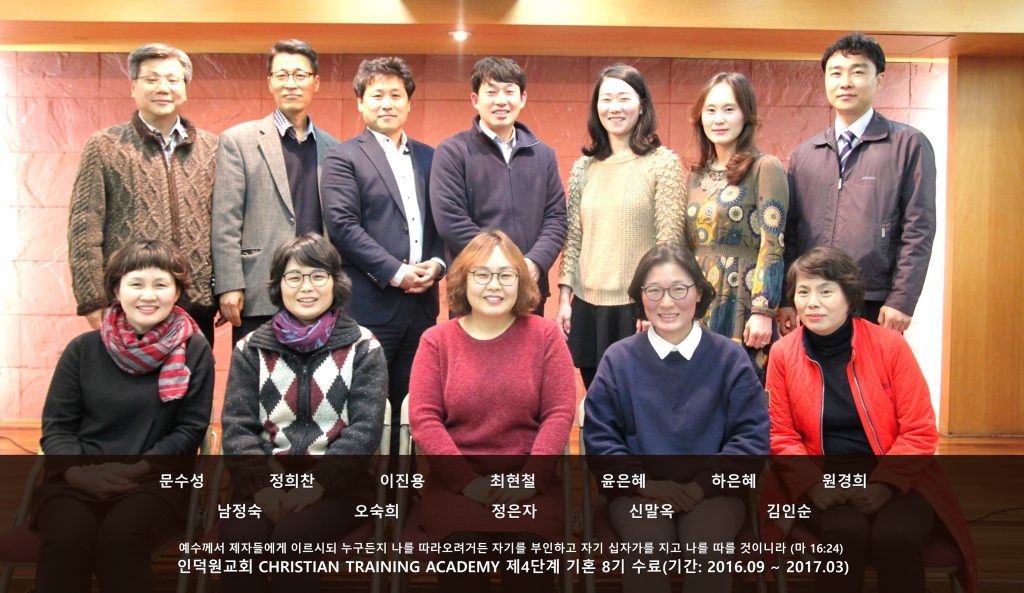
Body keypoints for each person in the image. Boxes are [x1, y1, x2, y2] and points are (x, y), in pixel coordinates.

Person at [766, 246, 976, 593]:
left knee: (895, 537)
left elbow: (919, 429)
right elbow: (779, 433)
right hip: (823, 478)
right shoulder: (783, 353)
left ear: (849, 297)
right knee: (844, 535)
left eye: (825, 291)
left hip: (900, 477)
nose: (812, 303)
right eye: (803, 292)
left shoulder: (890, 346)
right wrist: (812, 484)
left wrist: (885, 485)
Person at [584, 243, 769, 593]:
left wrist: (702, 486)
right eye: (654, 291)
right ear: (641, 297)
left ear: (699, 292)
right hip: (638, 494)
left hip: (715, 494)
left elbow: (751, 440)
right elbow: (600, 442)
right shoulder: (618, 360)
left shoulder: (729, 358)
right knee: (645, 550)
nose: (666, 302)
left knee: (709, 550)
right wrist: (645, 484)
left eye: (679, 289)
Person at [35, 239, 214, 593]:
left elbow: (189, 430)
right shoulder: (82, 350)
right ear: (117, 290)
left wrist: (136, 469)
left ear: (177, 292)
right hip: (77, 475)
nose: (148, 295)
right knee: (68, 540)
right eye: (136, 284)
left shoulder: (194, 349)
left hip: (154, 479)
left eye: (161, 284)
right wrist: (78, 472)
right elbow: (57, 427)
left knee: (120, 541)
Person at [408, 230, 576, 593]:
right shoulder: (436, 342)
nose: (494, 285)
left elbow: (559, 414)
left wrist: (528, 482)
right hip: (457, 486)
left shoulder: (546, 337)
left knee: (529, 554)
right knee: (464, 554)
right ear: (463, 281)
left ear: (521, 281)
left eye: (505, 275)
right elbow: (424, 420)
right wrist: (468, 482)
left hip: (530, 484)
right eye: (482, 274)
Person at [220, 232, 387, 593]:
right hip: (262, 484)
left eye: (317, 276)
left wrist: (316, 484)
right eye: (294, 277)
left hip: (341, 488)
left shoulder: (363, 346)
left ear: (335, 282)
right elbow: (237, 427)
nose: (306, 287)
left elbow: (365, 430)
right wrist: (263, 487)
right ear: (278, 285)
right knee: (238, 548)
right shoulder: (251, 348)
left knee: (292, 542)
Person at [780, 32, 936, 335]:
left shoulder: (908, 145)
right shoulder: (805, 154)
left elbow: (919, 229)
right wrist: (788, 298)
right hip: (813, 300)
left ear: (879, 80)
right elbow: (791, 233)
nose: (845, 82)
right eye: (835, 73)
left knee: (870, 368)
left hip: (875, 299)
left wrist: (902, 300)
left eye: (858, 72)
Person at [321, 56, 442, 445]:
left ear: (409, 103)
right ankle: (364, 480)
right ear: (360, 102)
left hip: (422, 306)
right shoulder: (343, 157)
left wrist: (438, 264)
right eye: (376, 95)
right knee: (364, 407)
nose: (386, 103)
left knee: (414, 407)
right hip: (369, 305)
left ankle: (403, 480)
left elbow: (444, 221)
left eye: (395, 95)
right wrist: (396, 271)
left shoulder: (431, 157)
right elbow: (342, 226)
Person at [68, 43, 218, 345]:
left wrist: (226, 288)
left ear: (185, 88)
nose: (163, 87)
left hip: (195, 302)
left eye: (173, 79)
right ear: (133, 87)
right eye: (152, 79)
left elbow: (227, 224)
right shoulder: (105, 145)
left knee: (194, 374)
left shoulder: (213, 148)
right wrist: (92, 297)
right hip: (128, 302)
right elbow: (84, 226)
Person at [557, 64, 691, 388]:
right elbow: (573, 238)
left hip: (639, 307)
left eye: (624, 98)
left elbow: (669, 244)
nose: (614, 107)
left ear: (642, 105)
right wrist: (564, 298)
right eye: (606, 100)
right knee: (597, 401)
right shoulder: (584, 167)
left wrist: (655, 300)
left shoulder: (663, 163)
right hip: (587, 307)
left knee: (642, 402)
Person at [212, 39, 339, 344]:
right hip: (259, 285)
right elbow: (226, 219)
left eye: (300, 75)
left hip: (317, 288)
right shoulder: (238, 140)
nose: (290, 83)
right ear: (270, 82)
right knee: (257, 369)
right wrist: (229, 284)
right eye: (282, 75)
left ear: (315, 82)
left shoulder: (333, 147)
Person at [429, 57, 567, 313]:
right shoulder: (453, 151)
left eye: (509, 92)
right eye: (491, 92)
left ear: (522, 98)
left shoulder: (543, 155)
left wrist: (534, 262)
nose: (501, 101)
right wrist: (503, 268)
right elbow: (450, 220)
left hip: (528, 284)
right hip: (473, 285)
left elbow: (556, 218)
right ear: (475, 99)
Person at [684, 72, 788, 383]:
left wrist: (763, 310)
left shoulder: (764, 167)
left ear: (746, 115)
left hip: (743, 297)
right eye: (711, 110)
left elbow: (773, 244)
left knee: (742, 389)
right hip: (699, 299)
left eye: (729, 109)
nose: (718, 118)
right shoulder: (695, 175)